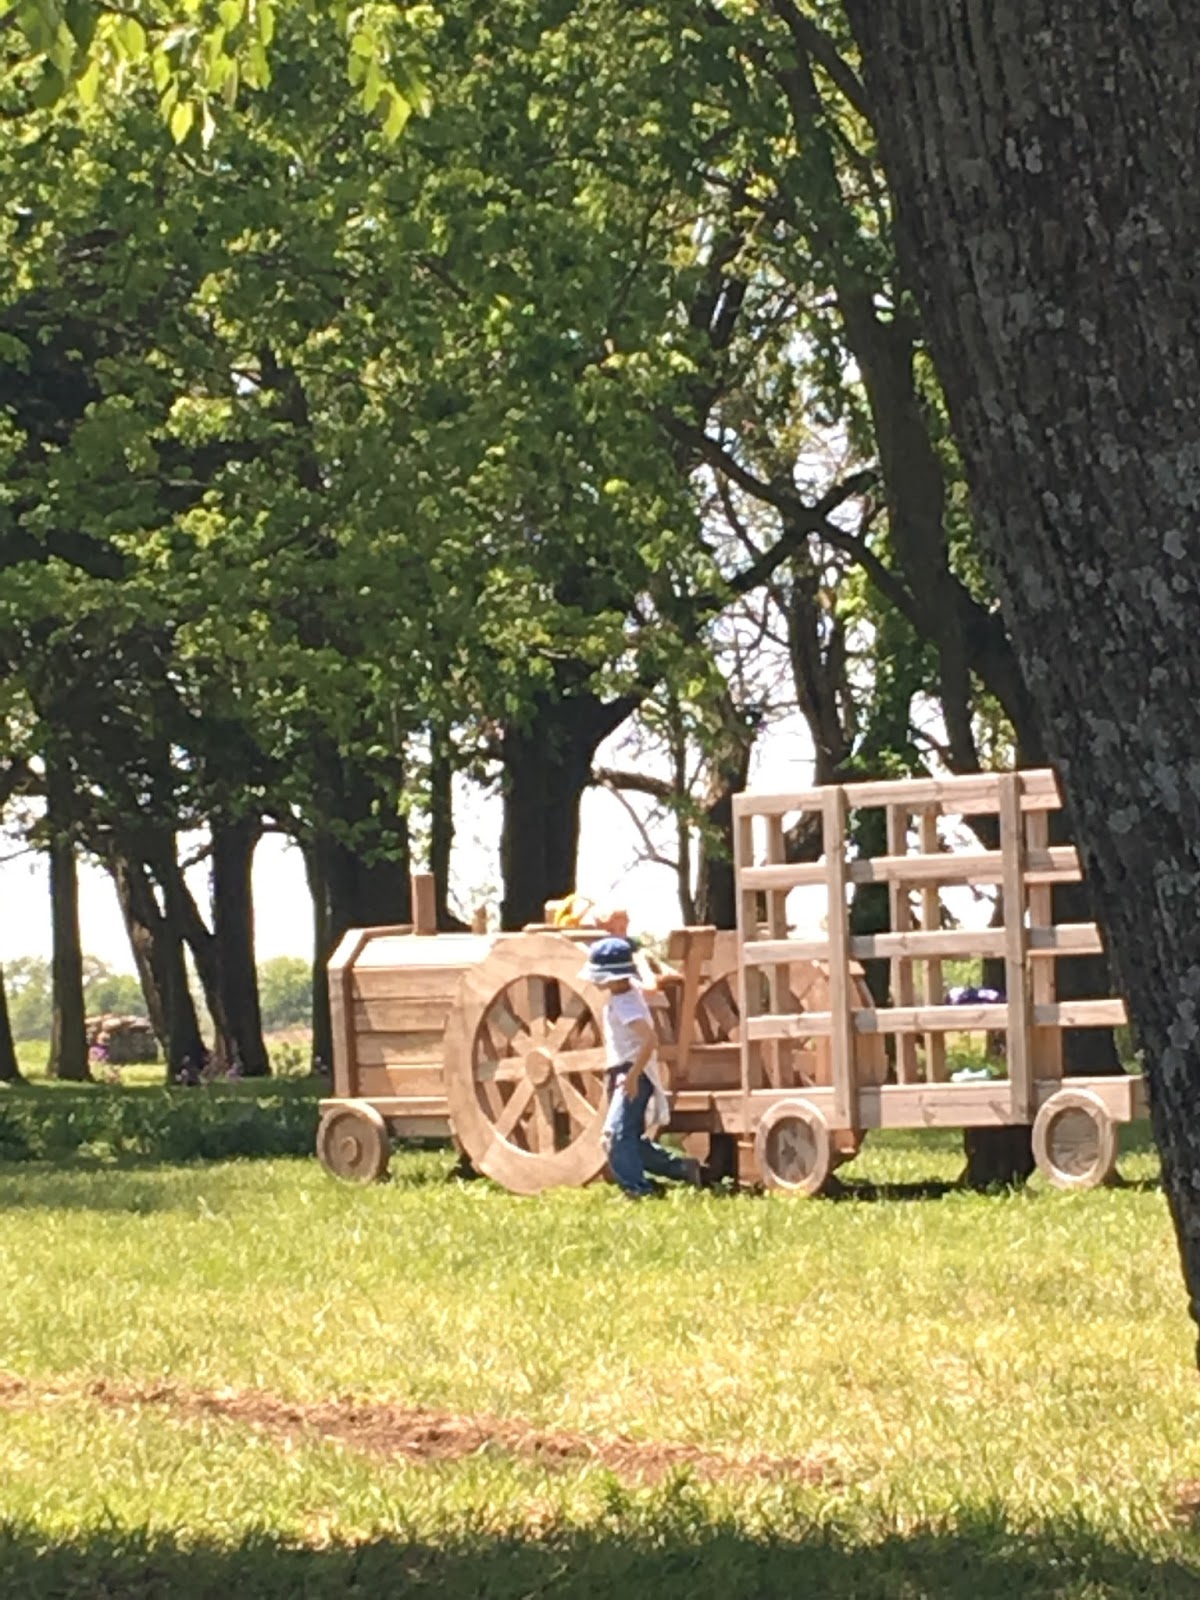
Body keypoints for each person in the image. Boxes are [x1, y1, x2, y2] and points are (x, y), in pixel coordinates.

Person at [580, 936, 701, 1198]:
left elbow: (650, 1040)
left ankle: (637, 1189)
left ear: (612, 977)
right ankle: (682, 1169)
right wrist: (643, 959)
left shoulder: (625, 1003)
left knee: (614, 1136)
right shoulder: (630, 988)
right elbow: (650, 985)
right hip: (625, 1070)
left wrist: (633, 1077)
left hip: (631, 1072)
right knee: (630, 1138)